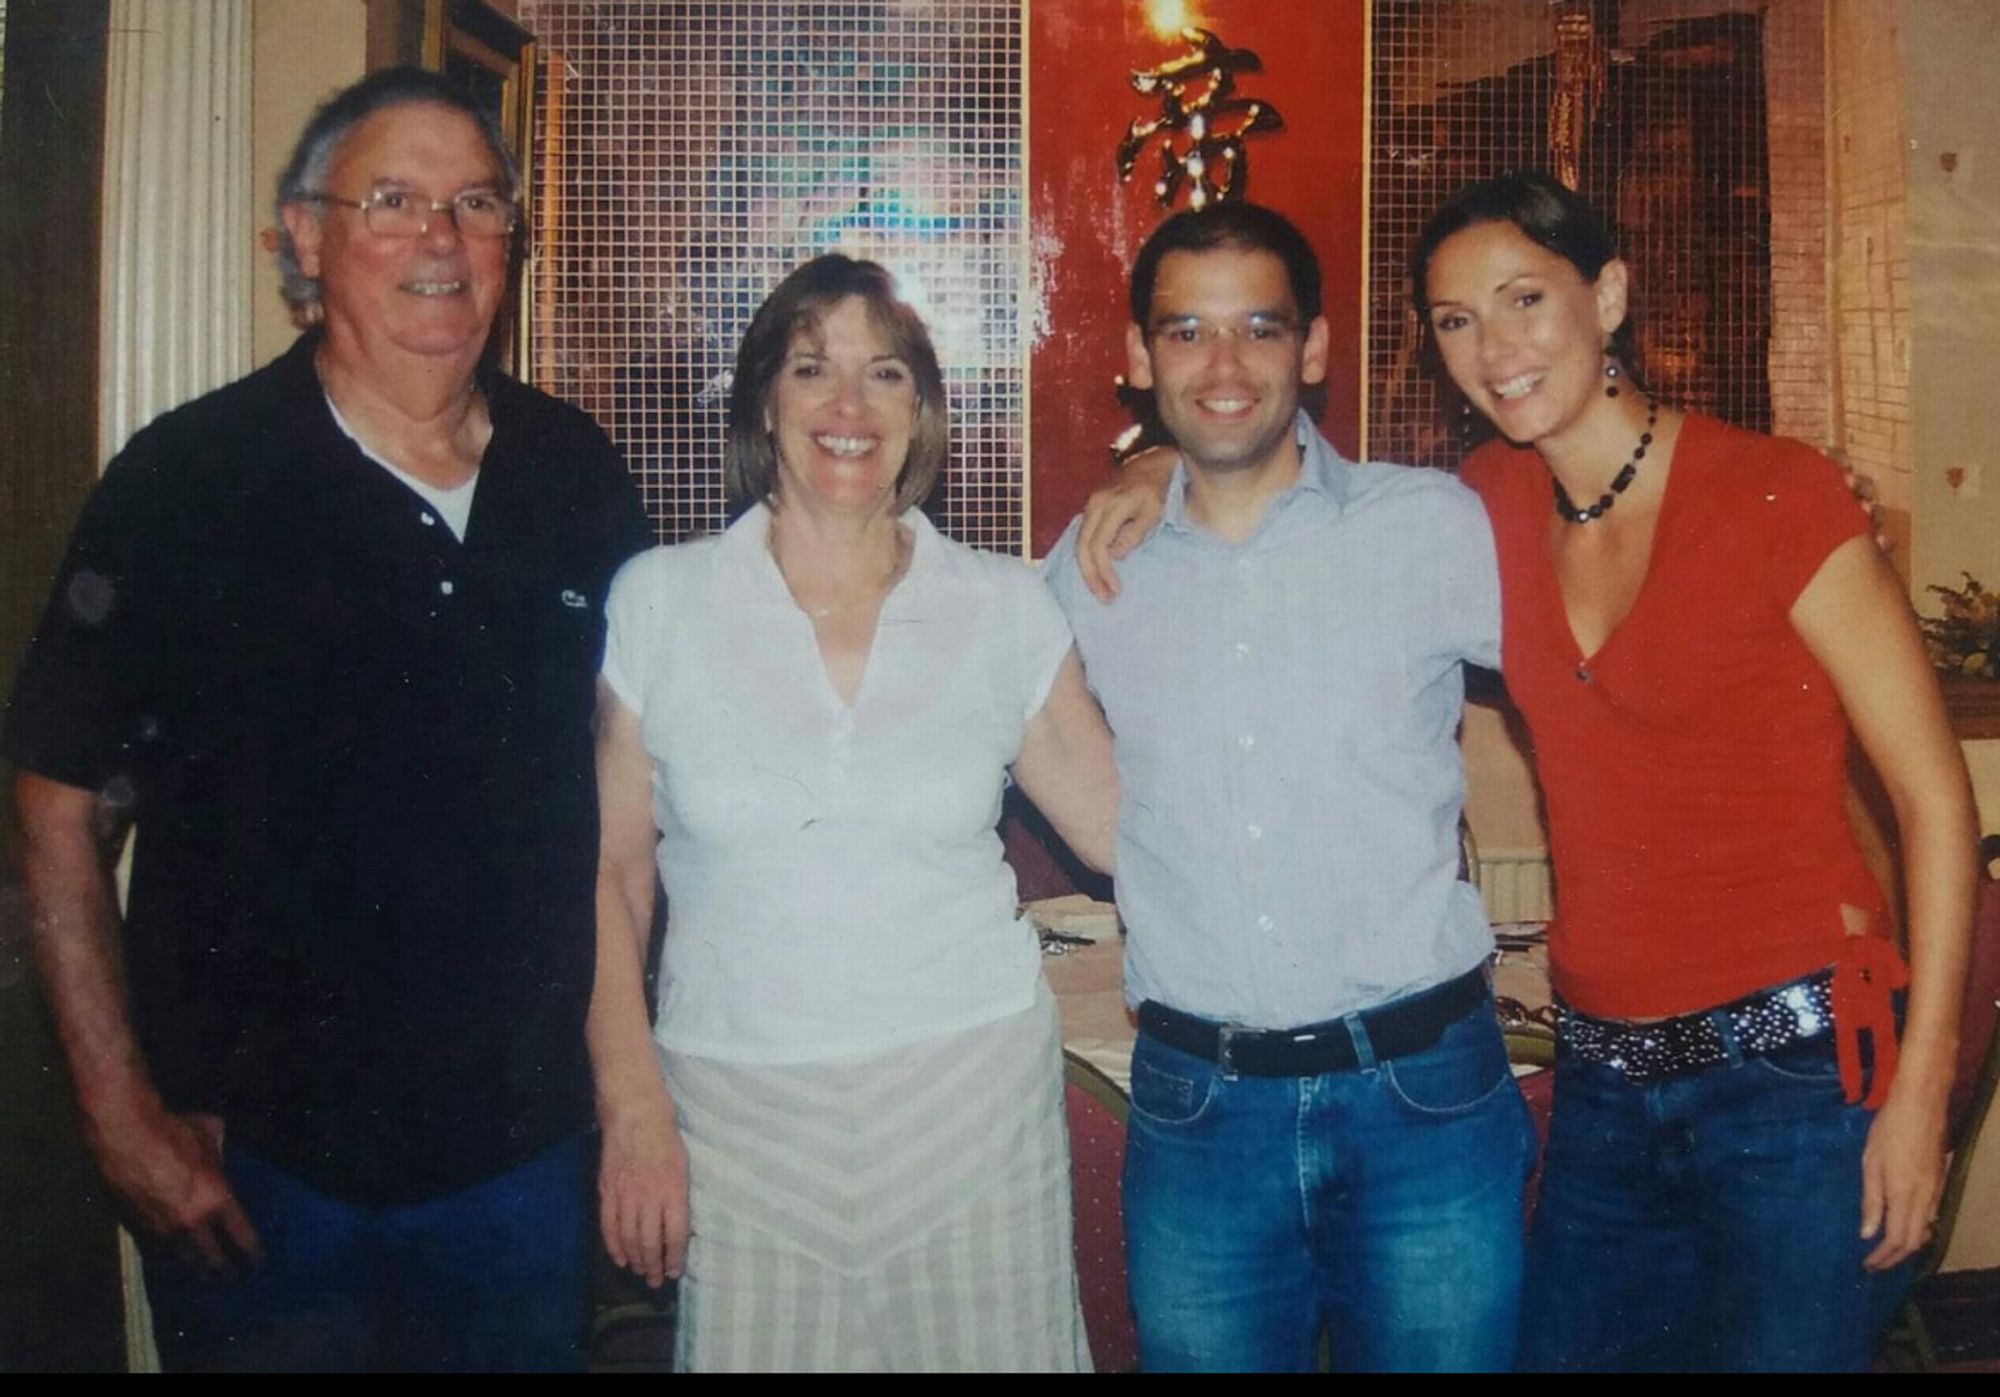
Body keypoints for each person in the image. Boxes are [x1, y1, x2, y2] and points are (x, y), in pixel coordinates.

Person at [6, 68, 650, 1371]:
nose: (440, 240)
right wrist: (118, 1115)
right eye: (394, 201)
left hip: (519, 1158)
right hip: (263, 1174)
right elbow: (53, 804)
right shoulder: (186, 482)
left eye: (476, 203)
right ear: (306, 236)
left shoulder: (572, 471)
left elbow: (646, 768)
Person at [1408, 169, 1976, 1372]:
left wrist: (1919, 1098)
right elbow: (1311, 510)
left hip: (1796, 1080)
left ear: (1606, 295)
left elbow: (1932, 798)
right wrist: (1154, 472)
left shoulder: (1773, 491)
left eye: (1523, 299)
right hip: (1603, 1085)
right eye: (1456, 320)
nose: (1492, 348)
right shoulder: (1485, 501)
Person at [585, 254, 1120, 1373]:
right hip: (736, 1116)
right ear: (762, 402)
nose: (847, 405)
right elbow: (613, 876)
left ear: (919, 410)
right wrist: (632, 1108)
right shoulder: (659, 602)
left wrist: (1162, 469)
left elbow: (1126, 834)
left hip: (966, 1104)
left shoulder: (1000, 606)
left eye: (883, 373)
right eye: (810, 368)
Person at [1041, 202, 1533, 1373]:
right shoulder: (1087, 566)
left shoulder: (1431, 527)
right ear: (1136, 358)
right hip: (1199, 1113)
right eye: (1185, 333)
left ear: (1311, 350)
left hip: (1426, 1098)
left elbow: (1612, 681)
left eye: (1258, 329)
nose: (1221, 368)